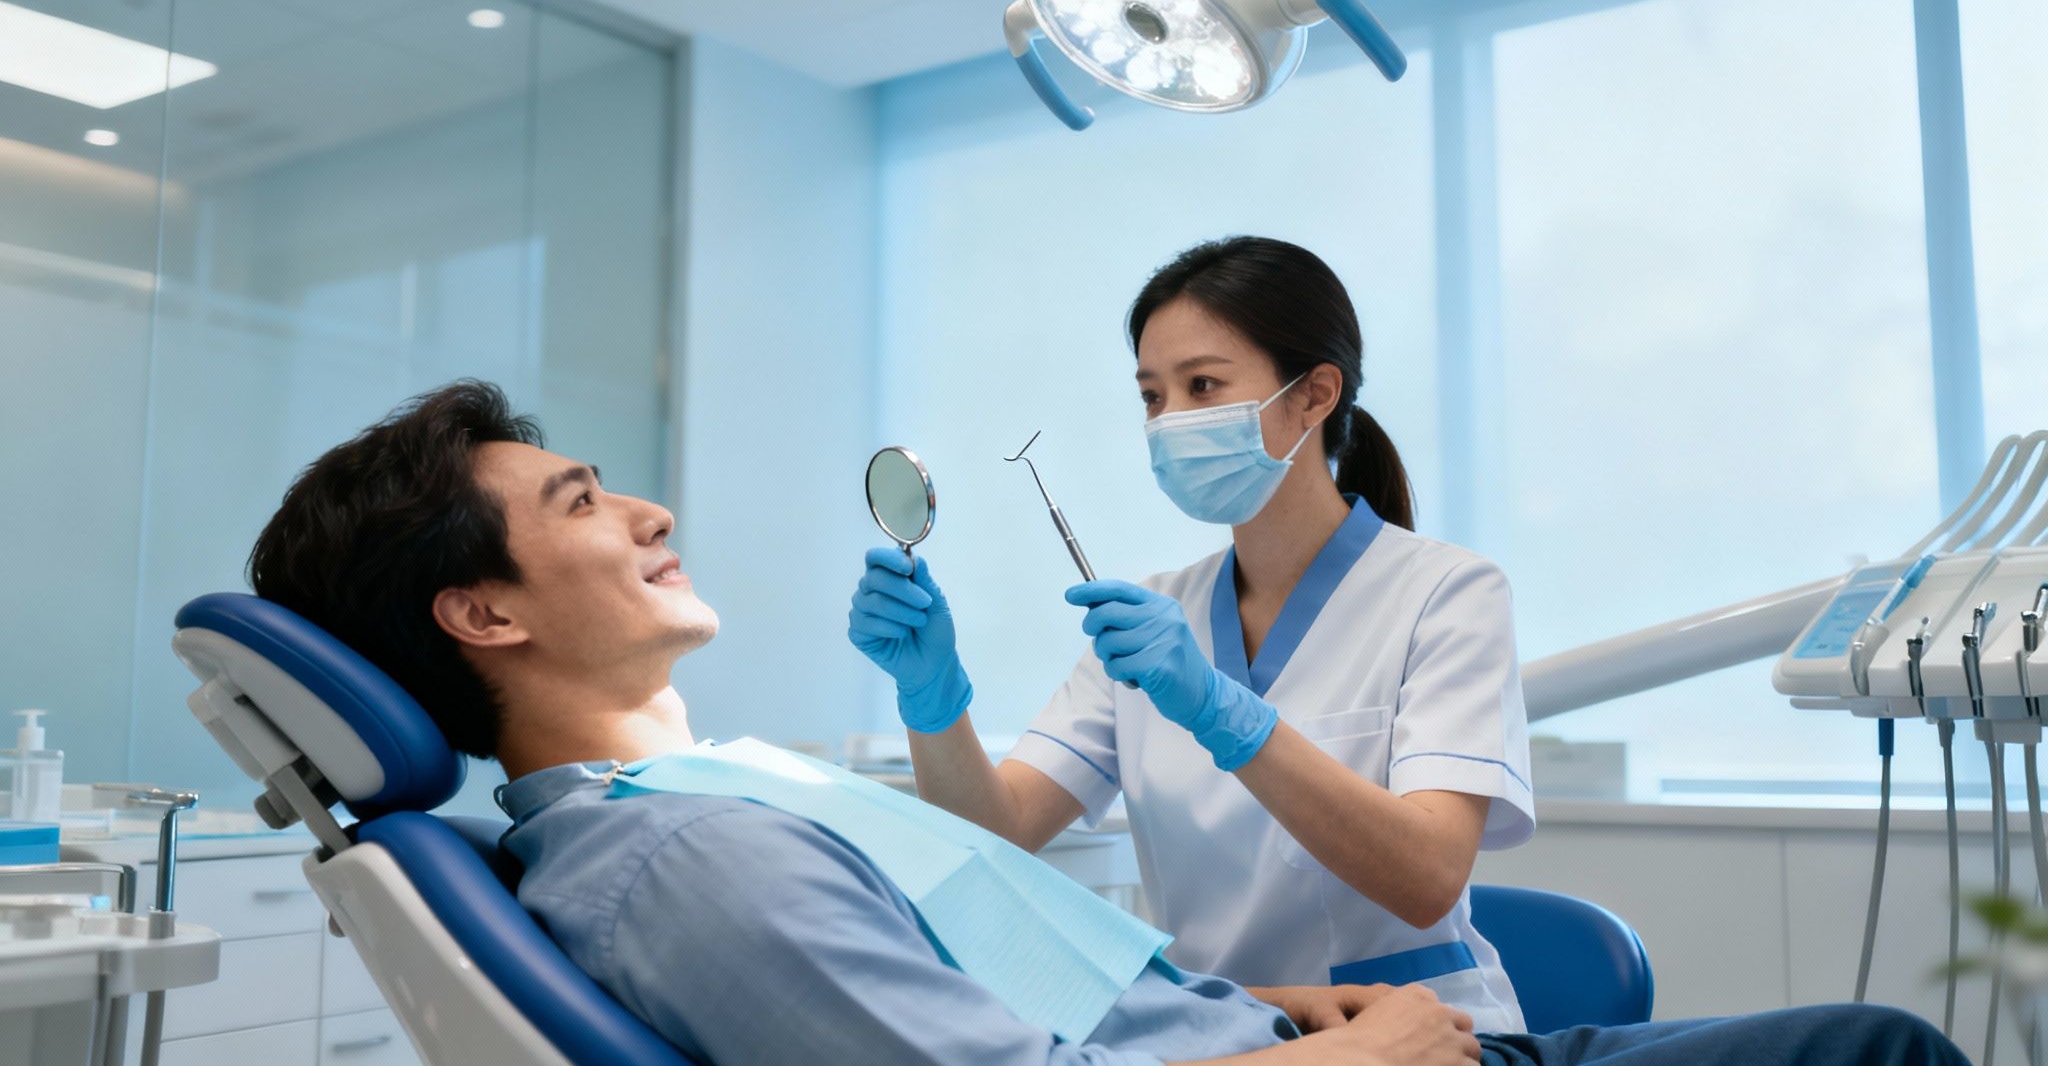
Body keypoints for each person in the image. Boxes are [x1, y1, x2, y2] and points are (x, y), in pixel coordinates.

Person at [248, 380, 1962, 1066]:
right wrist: (1345, 1056)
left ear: (1316, 408)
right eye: (579, 500)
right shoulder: (687, 848)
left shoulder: (711, 788)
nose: (643, 509)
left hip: (1293, 1024)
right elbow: (1001, 869)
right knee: (1875, 1053)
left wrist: (1278, 1001)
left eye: (1205, 392)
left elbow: (1001, 961)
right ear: (483, 609)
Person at [851, 236, 1530, 1029]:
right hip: (1223, 1037)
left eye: (1202, 385)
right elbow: (993, 833)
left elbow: (1427, 877)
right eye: (1151, 395)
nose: (1169, 421)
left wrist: (1220, 711)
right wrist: (931, 697)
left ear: (1314, 395)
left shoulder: (1446, 593)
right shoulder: (1149, 622)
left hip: (1417, 1031)